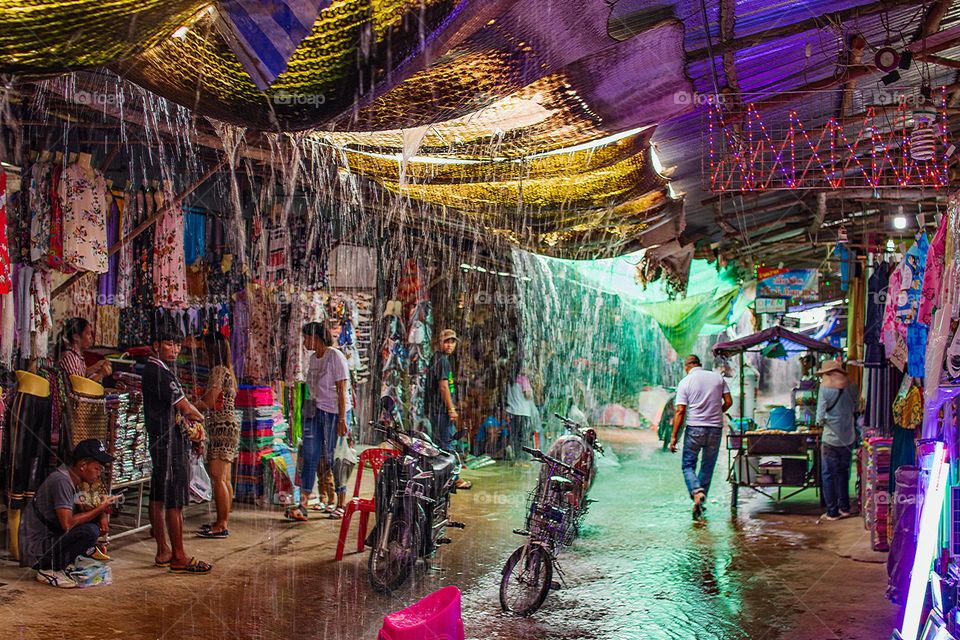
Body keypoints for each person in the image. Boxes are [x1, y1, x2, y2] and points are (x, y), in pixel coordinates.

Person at [142, 325, 211, 574]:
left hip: (159, 441)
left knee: (158, 495)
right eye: (169, 344)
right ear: (156, 345)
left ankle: (163, 550)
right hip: (170, 443)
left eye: (178, 345)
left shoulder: (153, 370)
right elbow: (185, 408)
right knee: (174, 500)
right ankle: (179, 555)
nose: (175, 349)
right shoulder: (161, 373)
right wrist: (200, 421)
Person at [19, 439, 119, 588]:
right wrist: (100, 509)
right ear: (83, 466)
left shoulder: (74, 480)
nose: (99, 474)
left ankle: (62, 564)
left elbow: (86, 509)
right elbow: (68, 524)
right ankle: (50, 569)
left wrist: (102, 514)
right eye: (97, 468)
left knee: (92, 524)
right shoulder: (62, 481)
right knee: (89, 531)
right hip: (36, 550)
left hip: (47, 540)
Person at [287, 322, 350, 522]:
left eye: (306, 337)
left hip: (334, 413)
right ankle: (303, 505)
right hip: (315, 411)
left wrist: (341, 419)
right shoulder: (314, 359)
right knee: (309, 456)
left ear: (316, 338)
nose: (305, 342)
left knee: (335, 458)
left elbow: (342, 389)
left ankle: (341, 503)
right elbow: (312, 390)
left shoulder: (335, 356)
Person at [669, 354, 732, 520]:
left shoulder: (685, 382)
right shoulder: (717, 378)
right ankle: (700, 501)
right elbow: (728, 401)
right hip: (715, 429)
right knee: (707, 466)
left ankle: (696, 492)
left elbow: (680, 411)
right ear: (699, 364)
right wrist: (718, 412)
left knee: (688, 465)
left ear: (687, 367)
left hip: (695, 428)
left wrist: (674, 437)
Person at [194, 332, 239, 538]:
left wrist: (190, 407)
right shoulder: (228, 371)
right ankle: (223, 520)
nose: (202, 354)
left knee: (218, 477)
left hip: (221, 427)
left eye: (204, 349)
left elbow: (211, 400)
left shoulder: (218, 371)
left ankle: (221, 525)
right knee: (225, 478)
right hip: (228, 426)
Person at [427, 329, 471, 490]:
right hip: (441, 410)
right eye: (446, 341)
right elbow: (443, 386)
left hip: (437, 409)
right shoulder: (442, 361)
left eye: (452, 342)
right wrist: (451, 409)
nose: (450, 345)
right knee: (447, 445)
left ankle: (440, 478)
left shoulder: (438, 359)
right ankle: (454, 479)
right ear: (439, 343)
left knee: (440, 445)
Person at [815, 360, 858, 521]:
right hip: (848, 438)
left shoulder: (825, 389)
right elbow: (856, 408)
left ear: (828, 374)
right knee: (843, 473)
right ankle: (844, 508)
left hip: (830, 439)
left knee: (828, 475)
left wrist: (822, 421)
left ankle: (832, 512)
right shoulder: (852, 387)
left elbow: (819, 417)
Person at [56, 317, 112, 382]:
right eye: (88, 334)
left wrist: (96, 366)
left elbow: (81, 375)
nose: (90, 337)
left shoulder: (77, 356)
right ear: (76, 337)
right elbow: (79, 386)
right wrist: (101, 375)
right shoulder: (69, 357)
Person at [505, 370, 534, 462]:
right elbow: (527, 395)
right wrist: (531, 391)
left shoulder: (510, 379)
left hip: (512, 412)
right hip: (523, 412)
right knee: (524, 437)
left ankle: (515, 456)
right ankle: (523, 459)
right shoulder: (524, 379)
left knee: (515, 436)